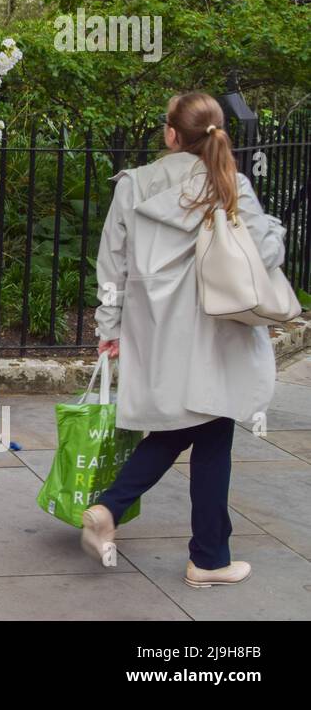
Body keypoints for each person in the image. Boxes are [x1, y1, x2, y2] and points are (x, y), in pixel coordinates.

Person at [83, 91, 284, 587]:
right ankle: (205, 557)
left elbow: (113, 265)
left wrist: (110, 328)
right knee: (212, 427)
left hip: (157, 331)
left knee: (192, 425)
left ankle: (125, 515)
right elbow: (266, 252)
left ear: (171, 134)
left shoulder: (133, 185)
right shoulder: (229, 182)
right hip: (220, 330)